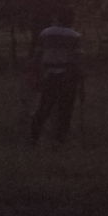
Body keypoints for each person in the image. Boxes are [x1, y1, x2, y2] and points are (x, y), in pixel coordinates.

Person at [30, 10, 83, 146]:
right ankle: (60, 138)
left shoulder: (45, 33)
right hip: (67, 74)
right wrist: (80, 76)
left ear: (57, 18)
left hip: (48, 73)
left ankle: (33, 137)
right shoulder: (75, 36)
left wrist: (35, 72)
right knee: (65, 108)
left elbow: (37, 54)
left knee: (44, 106)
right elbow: (77, 59)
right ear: (72, 20)